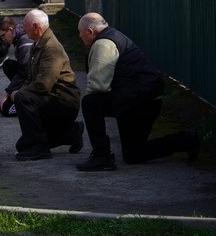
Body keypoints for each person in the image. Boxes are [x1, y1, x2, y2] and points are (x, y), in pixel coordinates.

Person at [75, 13, 199, 171]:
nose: (79, 35)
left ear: (90, 31)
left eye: (80, 32)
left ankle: (102, 156)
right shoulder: (114, 36)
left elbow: (97, 87)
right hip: (145, 99)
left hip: (139, 101)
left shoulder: (103, 44)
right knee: (133, 154)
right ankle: (186, 140)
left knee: (90, 103)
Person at [10, 9, 82, 161]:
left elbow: (43, 85)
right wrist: (18, 91)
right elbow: (31, 77)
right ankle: (71, 133)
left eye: (26, 26)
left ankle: (39, 149)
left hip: (63, 102)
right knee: (22, 146)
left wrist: (19, 93)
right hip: (52, 98)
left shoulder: (51, 47)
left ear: (36, 26)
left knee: (23, 97)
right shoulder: (39, 44)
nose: (24, 29)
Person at [0, 16, 34, 117]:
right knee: (8, 65)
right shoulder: (20, 38)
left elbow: (25, 71)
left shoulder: (25, 42)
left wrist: (8, 92)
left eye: (3, 36)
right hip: (32, 76)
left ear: (10, 30)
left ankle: (31, 105)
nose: (3, 39)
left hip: (37, 81)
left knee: (5, 110)